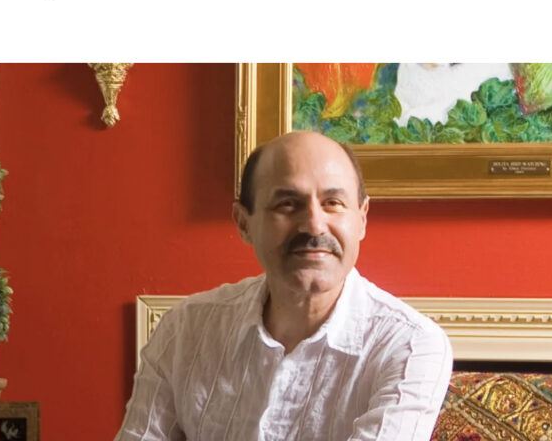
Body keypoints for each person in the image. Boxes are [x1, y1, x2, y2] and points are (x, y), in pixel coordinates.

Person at [115, 131, 453, 441]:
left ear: (362, 218)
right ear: (243, 223)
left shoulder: (410, 346)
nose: (314, 224)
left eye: (333, 203)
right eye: (287, 204)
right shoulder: (184, 330)